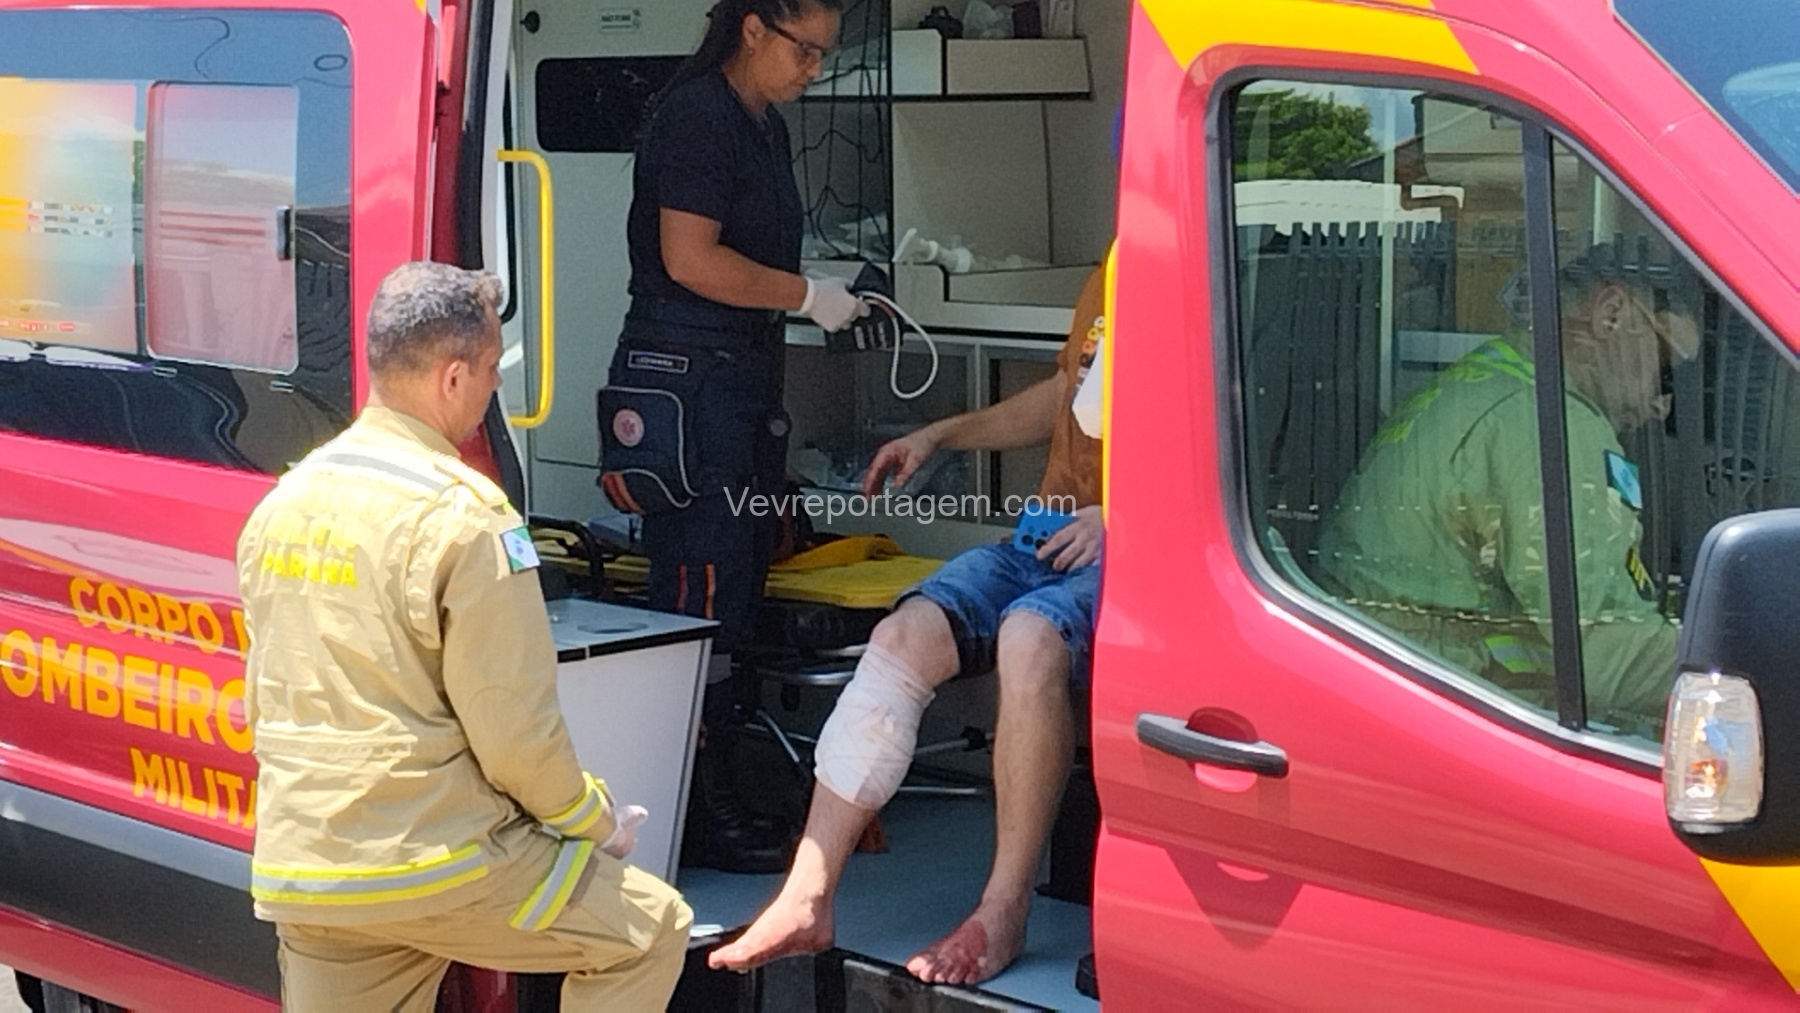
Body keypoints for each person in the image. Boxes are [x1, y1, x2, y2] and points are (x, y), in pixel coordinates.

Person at [238, 262, 691, 1012]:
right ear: (453, 377)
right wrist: (593, 820)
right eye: (488, 371)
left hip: (307, 866)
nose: (491, 390)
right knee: (649, 931)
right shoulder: (468, 517)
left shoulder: (285, 502)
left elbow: (266, 694)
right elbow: (514, 730)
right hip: (438, 861)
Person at [709, 267, 1109, 985]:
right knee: (900, 639)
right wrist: (940, 434)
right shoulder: (1109, 274)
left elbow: (1233, 439)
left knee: (1028, 636)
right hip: (1044, 534)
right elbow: (1067, 396)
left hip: (1137, 548)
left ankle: (1004, 909)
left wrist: (1119, 516)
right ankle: (807, 896)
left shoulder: (1204, 270)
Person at [596, 0, 860, 874]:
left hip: (737, 384)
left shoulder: (761, 125)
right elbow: (690, 258)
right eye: (805, 50)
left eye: (823, 55)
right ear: (753, 29)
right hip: (689, 385)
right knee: (698, 589)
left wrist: (811, 292)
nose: (813, 68)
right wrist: (804, 295)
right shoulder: (699, 117)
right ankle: (693, 800)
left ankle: (725, 778)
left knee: (737, 580)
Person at [1314, 248, 1700, 735]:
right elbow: (1605, 650)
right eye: (1668, 371)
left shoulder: (1489, 383)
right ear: (1611, 314)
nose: (1664, 404)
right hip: (1452, 715)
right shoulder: (1550, 425)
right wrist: (1735, 676)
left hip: (1392, 689)